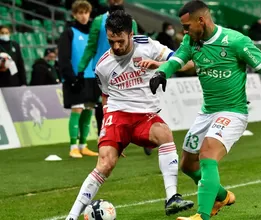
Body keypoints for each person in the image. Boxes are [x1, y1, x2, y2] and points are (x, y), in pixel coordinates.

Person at [149, 1, 261, 220]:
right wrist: (162, 73)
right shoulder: (191, 40)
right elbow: (176, 60)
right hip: (207, 112)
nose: (183, 32)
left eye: (187, 26)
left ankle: (201, 215)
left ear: (201, 20)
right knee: (187, 164)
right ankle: (221, 196)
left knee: (207, 153)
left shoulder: (236, 41)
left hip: (233, 112)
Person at [65, 10, 194, 220]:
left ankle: (172, 198)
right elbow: (105, 98)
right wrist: (105, 130)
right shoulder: (103, 66)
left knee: (165, 134)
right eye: (111, 41)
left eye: (120, 41)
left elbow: (186, 63)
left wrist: (159, 65)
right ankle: (71, 217)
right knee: (105, 163)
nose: (116, 46)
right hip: (118, 115)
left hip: (145, 115)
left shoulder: (149, 47)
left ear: (130, 34)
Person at [77, 0, 141, 153]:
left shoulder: (131, 22)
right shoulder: (99, 21)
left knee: (134, 103)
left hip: (126, 70)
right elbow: (91, 46)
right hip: (103, 71)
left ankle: (142, 136)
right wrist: (81, 68)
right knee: (102, 105)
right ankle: (104, 139)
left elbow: (137, 45)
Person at [58, 0, 99, 158]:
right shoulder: (68, 32)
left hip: (91, 77)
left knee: (88, 111)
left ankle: (83, 145)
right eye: (80, 13)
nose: (83, 16)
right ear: (74, 14)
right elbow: (63, 58)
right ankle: (73, 146)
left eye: (86, 13)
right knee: (77, 110)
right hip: (75, 78)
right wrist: (70, 78)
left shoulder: (92, 34)